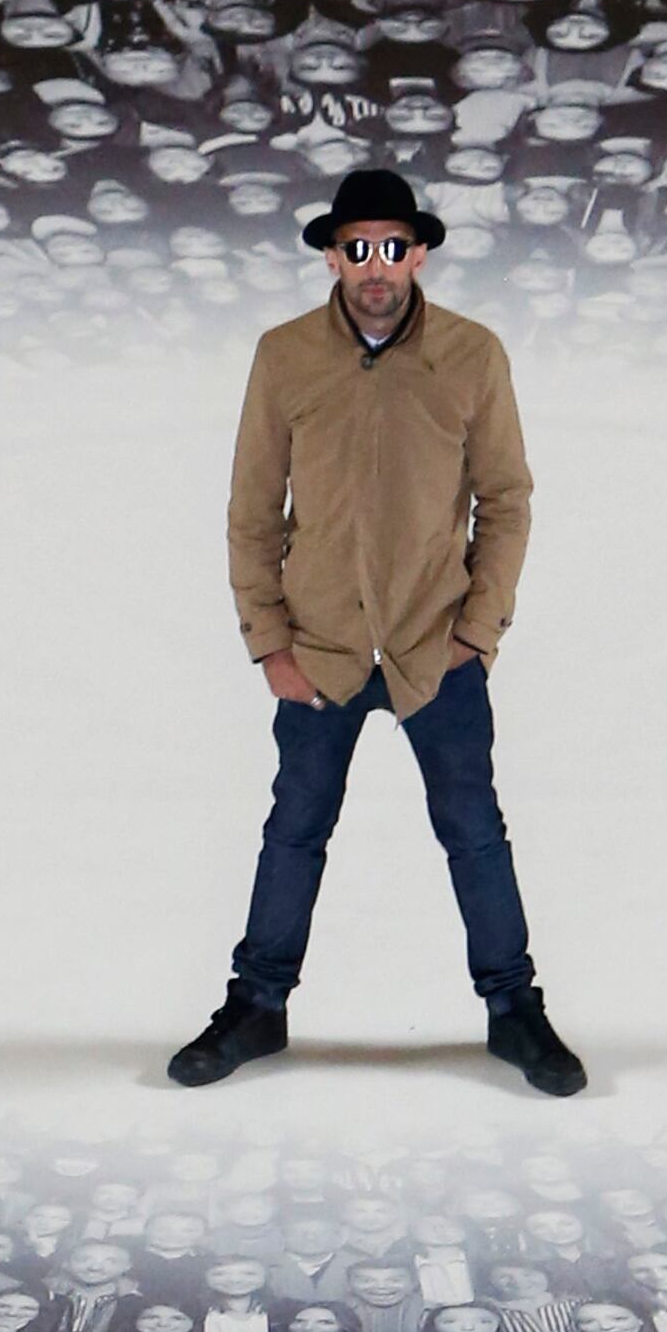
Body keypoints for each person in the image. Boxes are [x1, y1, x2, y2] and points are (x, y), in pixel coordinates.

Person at [171, 169, 579, 1104]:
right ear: (331, 255)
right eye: (358, 248)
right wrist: (268, 642)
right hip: (318, 650)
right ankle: (257, 1004)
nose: (375, 267)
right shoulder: (283, 357)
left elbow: (506, 500)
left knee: (475, 831)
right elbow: (250, 509)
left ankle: (514, 1010)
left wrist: (477, 634)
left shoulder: (473, 355)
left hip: (437, 645)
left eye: (393, 246)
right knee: (294, 829)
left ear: (420, 252)